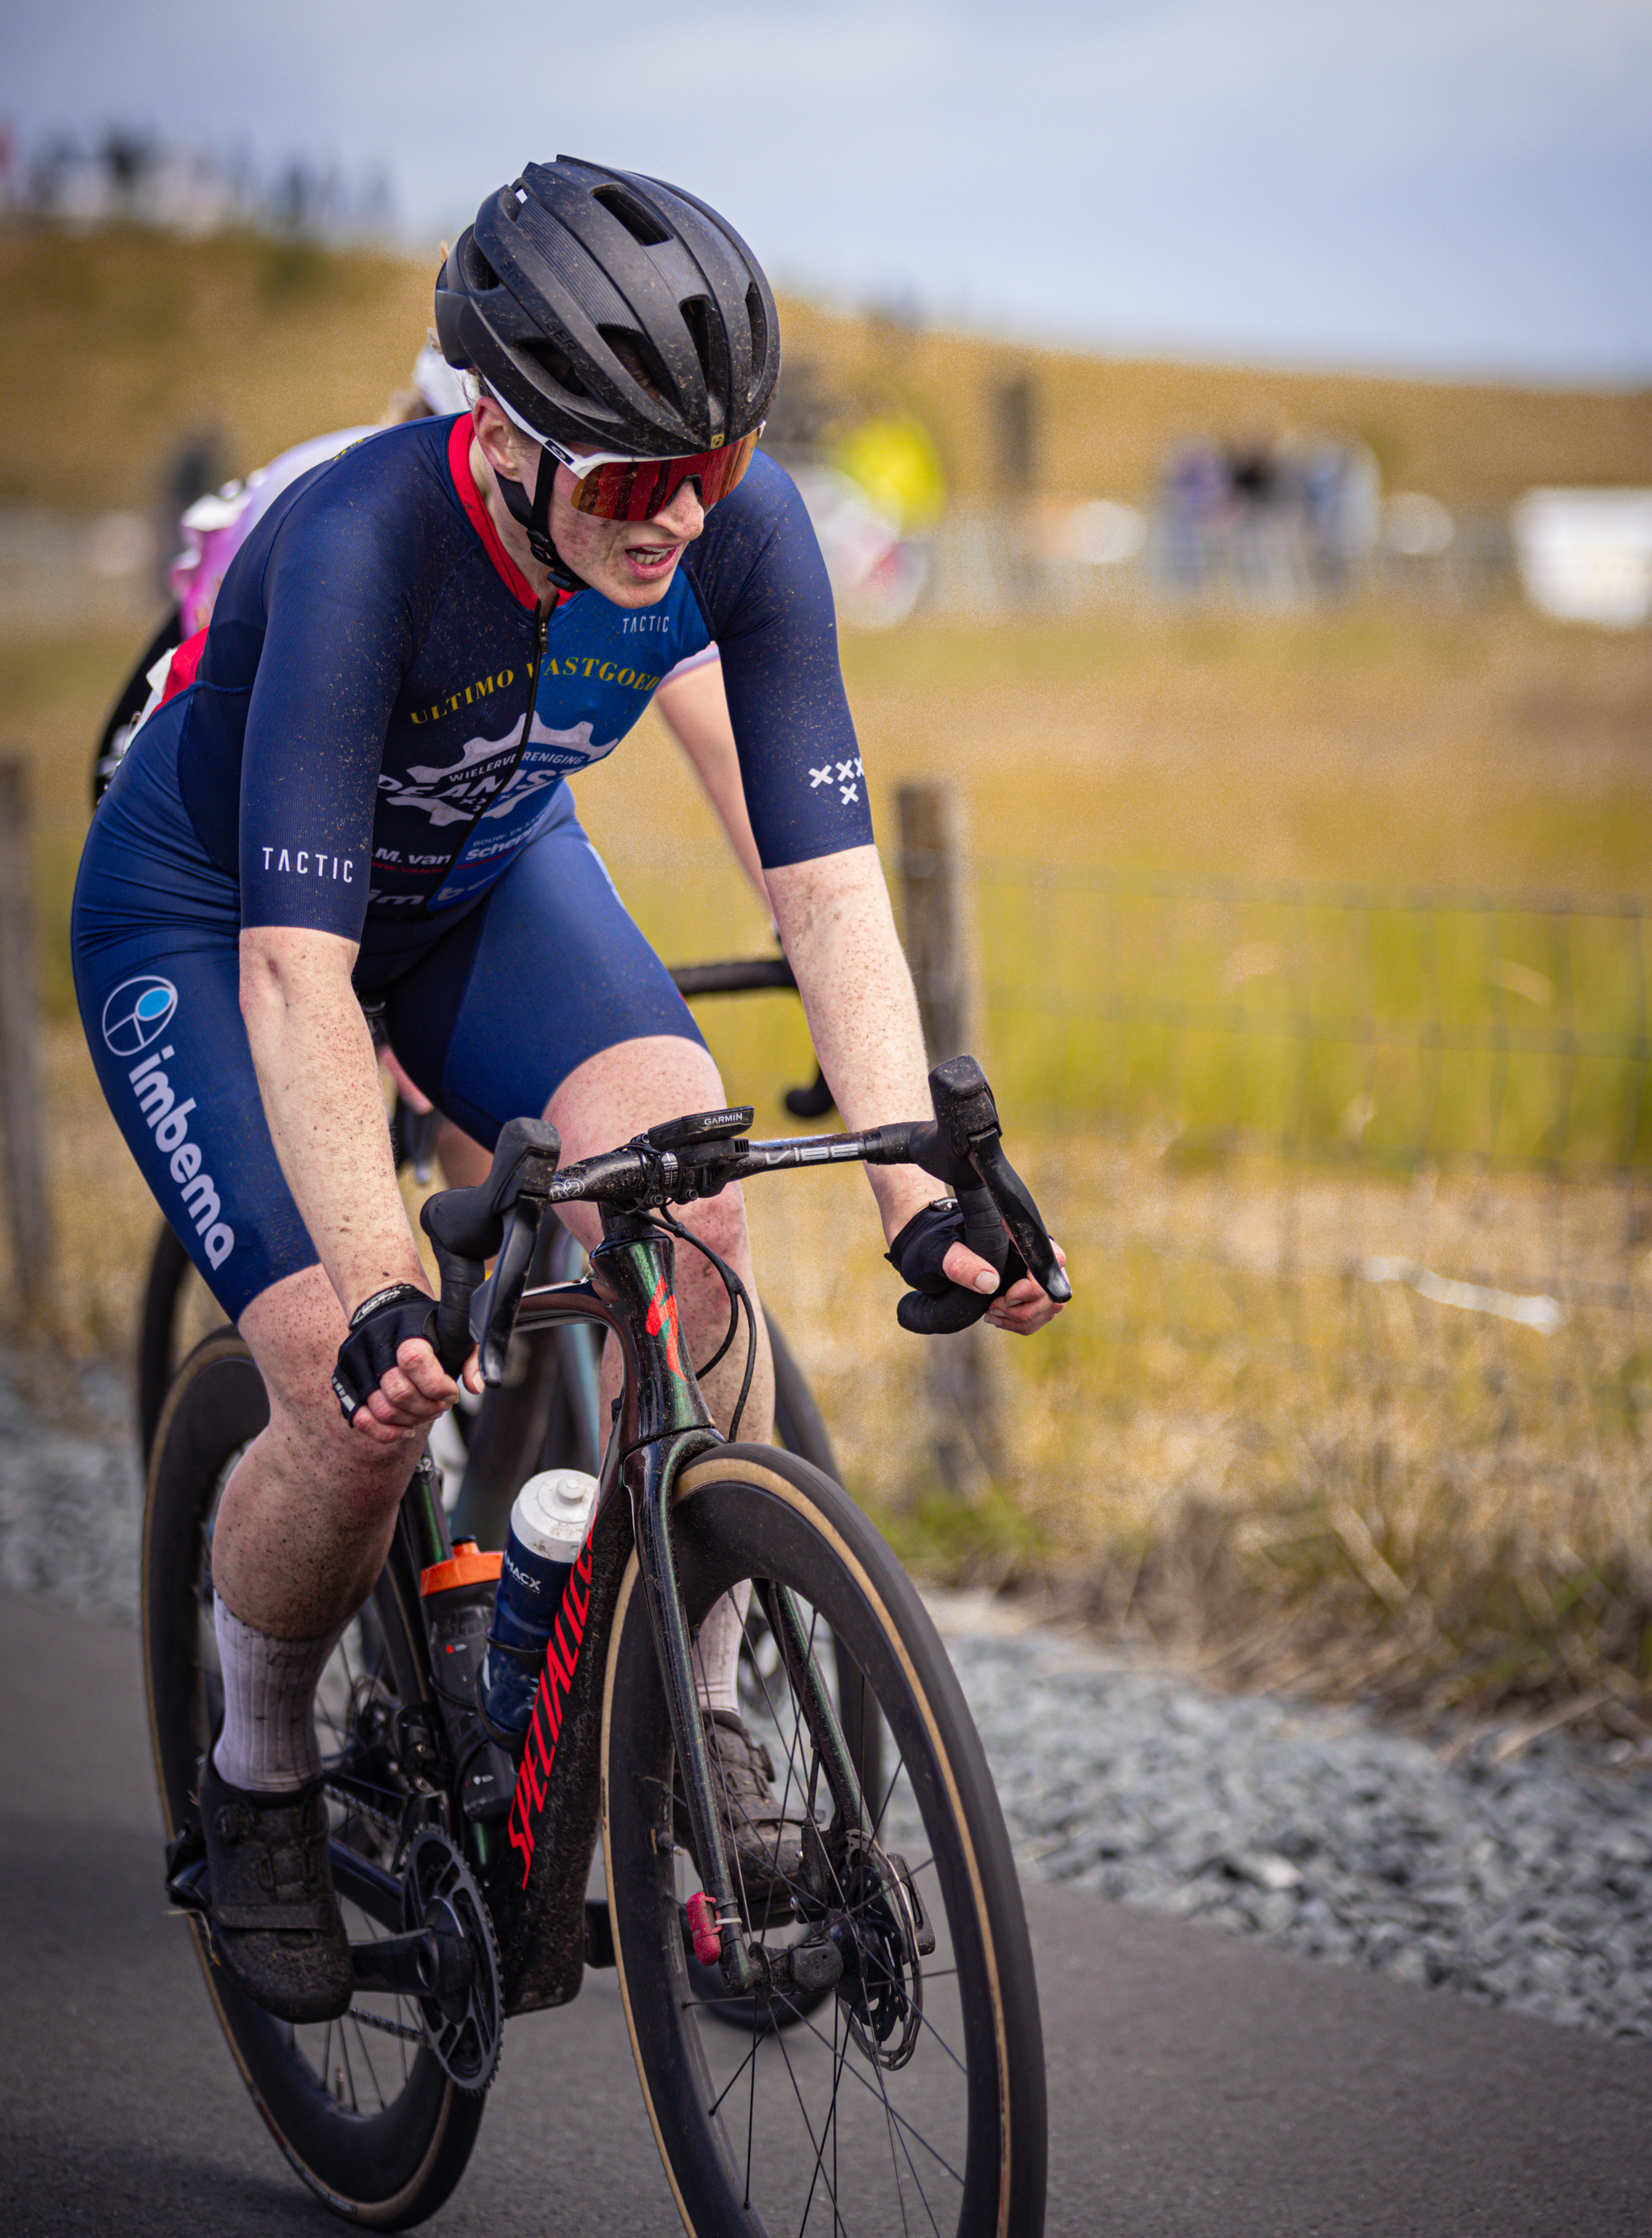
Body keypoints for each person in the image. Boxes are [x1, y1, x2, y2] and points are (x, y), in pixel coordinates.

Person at [73, 154, 1065, 2022]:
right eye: (628, 478)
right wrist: (376, 1278)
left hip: (475, 887)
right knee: (351, 1399)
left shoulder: (727, 527)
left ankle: (705, 1733)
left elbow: (821, 879)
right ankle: (262, 1762)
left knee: (692, 1213)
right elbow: (296, 968)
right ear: (506, 439)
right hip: (214, 928)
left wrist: (920, 1191)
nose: (677, 518)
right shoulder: (362, 547)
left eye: (711, 466)